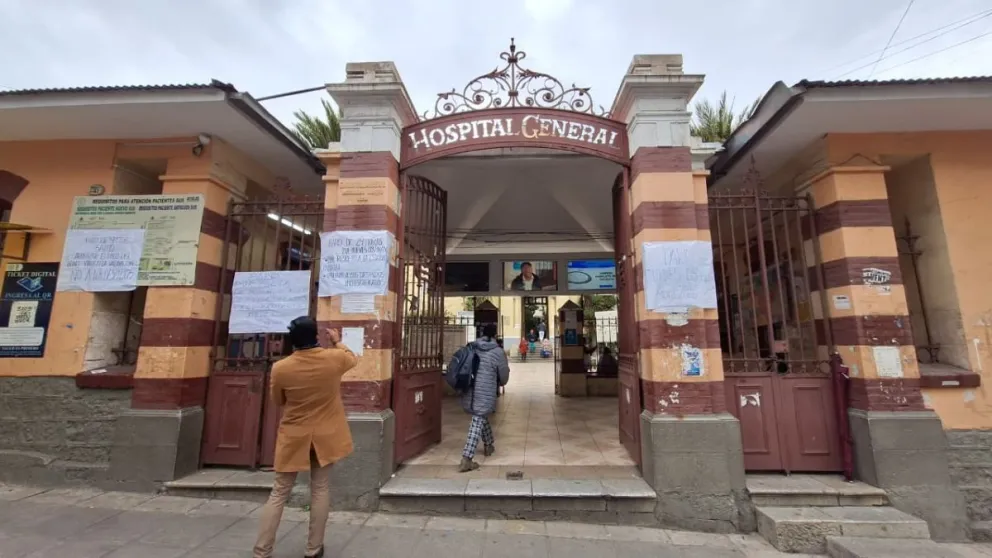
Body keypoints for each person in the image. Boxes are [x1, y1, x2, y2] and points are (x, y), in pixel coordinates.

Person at [254, 317, 357, 558]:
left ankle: (262, 550)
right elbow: (352, 358)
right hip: (326, 435)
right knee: (320, 488)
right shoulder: (335, 359)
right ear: (316, 336)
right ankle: (313, 549)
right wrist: (338, 342)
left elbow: (278, 401)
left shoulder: (281, 368)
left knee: (279, 491)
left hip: (294, 435)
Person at [460, 323, 510, 472]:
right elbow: (504, 377)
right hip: (486, 391)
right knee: (478, 419)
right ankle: (466, 458)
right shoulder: (497, 352)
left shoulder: (473, 346)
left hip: (470, 388)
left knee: (480, 415)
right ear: (495, 335)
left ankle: (489, 445)